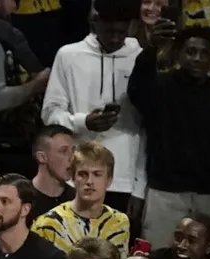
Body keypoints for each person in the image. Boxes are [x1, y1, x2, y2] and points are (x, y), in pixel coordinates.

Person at [127, 22, 210, 244]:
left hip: (208, 198)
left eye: (204, 53)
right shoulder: (161, 88)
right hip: (165, 195)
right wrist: (151, 49)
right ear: (178, 53)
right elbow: (136, 90)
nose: (197, 58)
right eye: (191, 51)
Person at [42, 0, 141, 211]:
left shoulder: (140, 58)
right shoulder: (68, 55)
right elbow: (50, 113)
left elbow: (147, 128)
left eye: (121, 32)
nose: (115, 38)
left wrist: (140, 188)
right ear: (95, 23)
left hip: (125, 181)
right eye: (109, 31)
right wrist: (83, 122)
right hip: (77, 176)